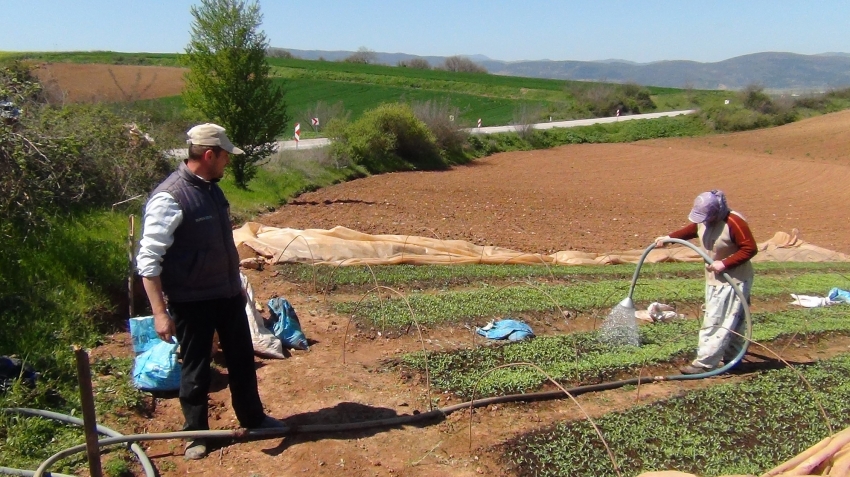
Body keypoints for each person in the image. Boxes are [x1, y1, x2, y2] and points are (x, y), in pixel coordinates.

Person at [136, 123, 284, 460]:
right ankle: (196, 434)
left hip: (227, 294)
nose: (227, 162)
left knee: (242, 361)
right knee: (196, 368)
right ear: (208, 155)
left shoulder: (213, 190)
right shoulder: (169, 197)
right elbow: (148, 261)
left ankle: (254, 418)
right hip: (192, 302)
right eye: (224, 156)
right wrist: (160, 313)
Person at [654, 190, 757, 375]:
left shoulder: (734, 222)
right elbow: (692, 230)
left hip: (733, 280)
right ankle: (733, 359)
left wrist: (724, 263)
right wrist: (669, 238)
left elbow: (750, 248)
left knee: (717, 320)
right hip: (715, 280)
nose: (703, 221)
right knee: (732, 319)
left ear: (716, 212)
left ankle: (705, 363)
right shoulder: (705, 221)